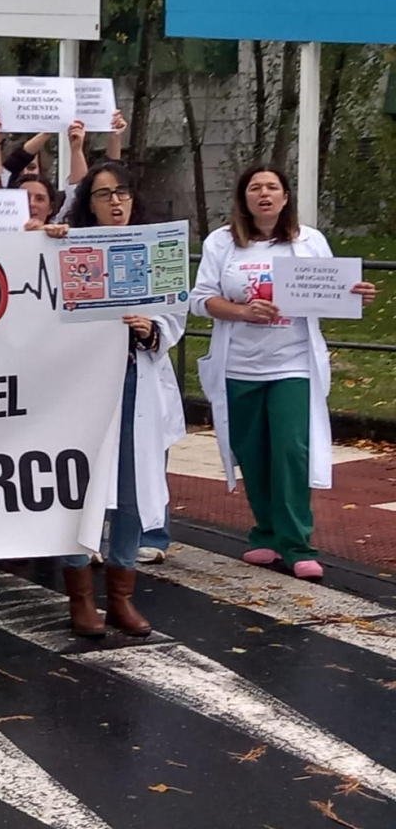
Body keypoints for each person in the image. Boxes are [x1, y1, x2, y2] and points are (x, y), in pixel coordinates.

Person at [191, 165, 376, 581]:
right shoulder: (221, 243)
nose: (264, 194)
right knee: (252, 452)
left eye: (272, 187)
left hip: (293, 363)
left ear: (285, 196)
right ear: (243, 197)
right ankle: (266, 533)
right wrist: (242, 311)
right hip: (239, 364)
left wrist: (355, 295)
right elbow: (201, 299)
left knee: (291, 451)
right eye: (255, 188)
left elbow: (332, 291)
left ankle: (298, 544)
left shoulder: (309, 241)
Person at [57, 161, 187, 637]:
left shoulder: (157, 249)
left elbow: (175, 313)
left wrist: (152, 329)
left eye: (123, 192)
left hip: (136, 379)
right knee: (80, 489)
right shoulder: (68, 250)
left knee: (132, 489)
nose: (116, 202)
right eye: (104, 194)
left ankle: (121, 596)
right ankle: (80, 597)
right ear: (88, 204)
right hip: (85, 385)